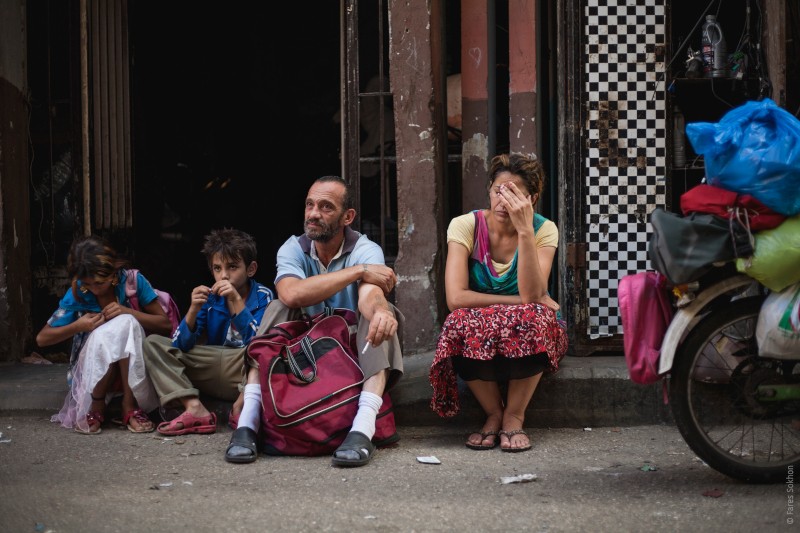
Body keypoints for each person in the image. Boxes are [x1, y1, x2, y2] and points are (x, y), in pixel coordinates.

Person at [225, 175, 403, 466]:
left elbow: (369, 295)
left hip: (350, 354)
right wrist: (358, 271)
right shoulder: (293, 248)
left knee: (381, 315)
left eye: (326, 207)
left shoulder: (366, 249)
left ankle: (363, 429)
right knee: (279, 306)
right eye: (310, 205)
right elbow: (292, 294)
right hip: (302, 355)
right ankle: (248, 422)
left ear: (347, 217)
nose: (314, 214)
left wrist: (381, 309)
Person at [429, 153, 568, 452]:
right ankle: (493, 412)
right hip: (482, 329)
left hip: (524, 330)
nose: (503, 202)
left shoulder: (544, 229)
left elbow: (532, 296)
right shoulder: (466, 225)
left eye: (513, 194)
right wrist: (516, 300)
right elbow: (456, 298)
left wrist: (525, 230)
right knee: (458, 322)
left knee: (535, 317)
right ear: (489, 191)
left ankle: (514, 415)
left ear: (531, 199)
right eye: (498, 191)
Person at [37, 235, 174, 434]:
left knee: (127, 323)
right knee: (110, 332)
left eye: (99, 283)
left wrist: (127, 312)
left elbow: (164, 325)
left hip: (134, 369)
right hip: (96, 374)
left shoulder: (132, 282)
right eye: (88, 284)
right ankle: (96, 404)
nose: (94, 289)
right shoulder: (79, 292)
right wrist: (78, 326)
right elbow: (42, 338)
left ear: (113, 273)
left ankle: (129, 404)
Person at [142, 228, 273, 436]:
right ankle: (194, 407)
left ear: (251, 269)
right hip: (210, 362)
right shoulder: (210, 298)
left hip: (242, 368)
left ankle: (243, 403)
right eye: (217, 268)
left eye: (232, 267)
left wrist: (235, 300)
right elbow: (180, 346)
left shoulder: (263, 296)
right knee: (154, 343)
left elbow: (258, 343)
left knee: (265, 355)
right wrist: (193, 310)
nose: (224, 275)